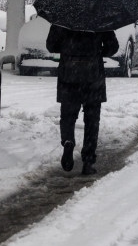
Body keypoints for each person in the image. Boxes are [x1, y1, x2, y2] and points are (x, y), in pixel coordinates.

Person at [46, 24, 119, 175]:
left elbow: (51, 46)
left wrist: (68, 48)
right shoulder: (100, 19)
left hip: (69, 75)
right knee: (92, 121)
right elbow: (113, 47)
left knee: (68, 116)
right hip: (93, 77)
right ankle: (88, 161)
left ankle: (68, 141)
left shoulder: (62, 18)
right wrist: (98, 50)